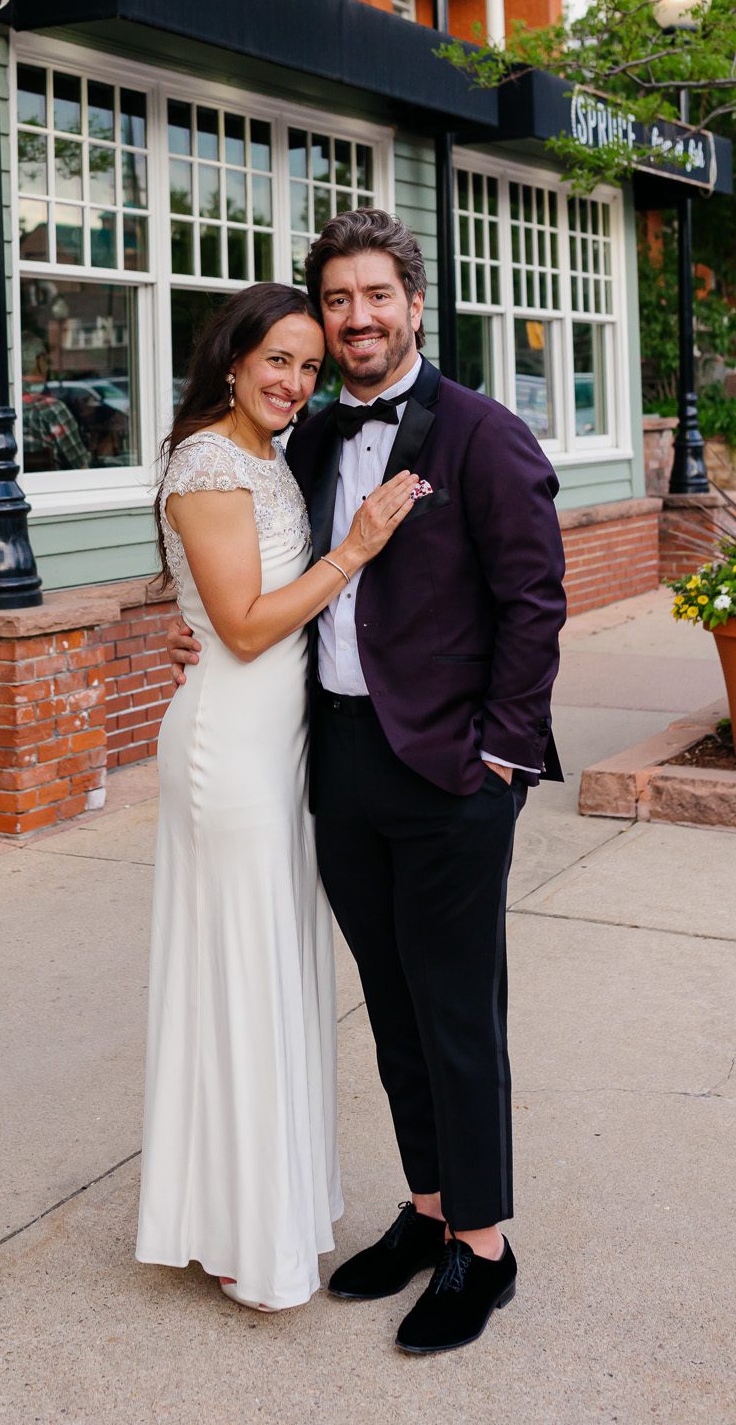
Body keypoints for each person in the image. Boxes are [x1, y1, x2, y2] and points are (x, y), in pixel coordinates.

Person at [165, 210, 565, 1355]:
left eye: (374, 295)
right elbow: (241, 568)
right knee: (389, 1006)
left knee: (455, 1008)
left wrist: (502, 751)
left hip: (449, 770)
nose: (354, 319)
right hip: (332, 760)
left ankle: (482, 1246)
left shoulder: (482, 434)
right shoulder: (304, 434)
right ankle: (428, 1207)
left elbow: (534, 602)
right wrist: (183, 634)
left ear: (414, 302)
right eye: (335, 300)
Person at [136, 280, 419, 1313]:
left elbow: (217, 608)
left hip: (282, 743)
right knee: (238, 978)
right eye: (278, 362)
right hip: (230, 749)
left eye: (308, 364)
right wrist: (354, 550)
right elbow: (247, 625)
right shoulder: (208, 458)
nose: (296, 382)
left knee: (269, 973)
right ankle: (234, 1231)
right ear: (231, 359)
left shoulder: (266, 452)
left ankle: (257, 1207)